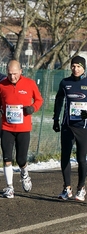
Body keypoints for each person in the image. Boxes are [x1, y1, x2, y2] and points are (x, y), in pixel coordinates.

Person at [0, 60, 43, 198]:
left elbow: (39, 100)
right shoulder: (2, 84)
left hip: (23, 128)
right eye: (9, 74)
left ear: (21, 71)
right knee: (7, 157)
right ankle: (9, 187)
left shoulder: (29, 83)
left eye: (15, 74)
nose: (12, 77)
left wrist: (32, 108)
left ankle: (24, 173)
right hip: (7, 127)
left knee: (21, 159)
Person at [53, 55, 87, 201]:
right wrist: (56, 118)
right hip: (67, 126)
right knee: (65, 157)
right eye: (73, 66)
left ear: (84, 68)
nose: (75, 69)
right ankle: (67, 188)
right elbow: (59, 100)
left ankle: (81, 187)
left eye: (79, 66)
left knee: (81, 159)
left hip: (83, 127)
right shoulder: (65, 82)